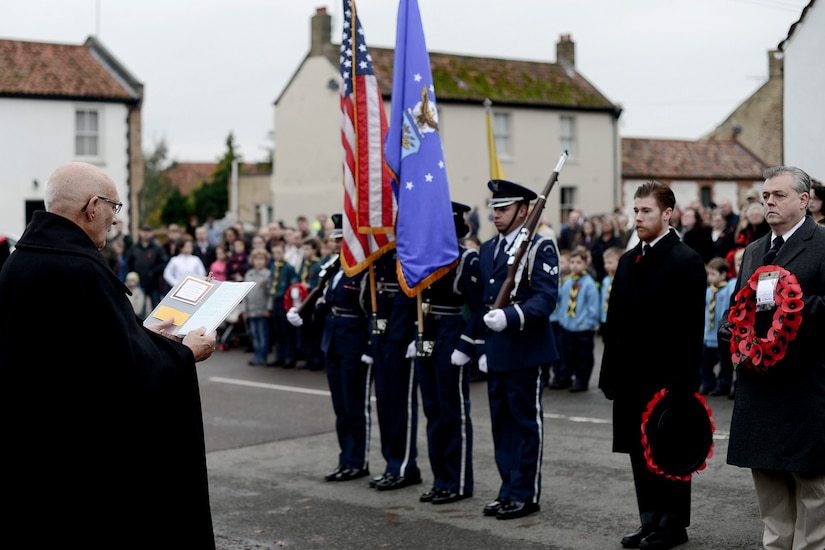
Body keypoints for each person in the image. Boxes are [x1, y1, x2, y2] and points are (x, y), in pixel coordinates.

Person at [0, 161, 217, 547]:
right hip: (83, 458)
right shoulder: (80, 269)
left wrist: (142, 333)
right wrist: (185, 353)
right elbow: (121, 372)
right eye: (114, 207)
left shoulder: (21, 259)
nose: (115, 220)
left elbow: (85, 345)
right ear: (91, 207)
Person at [598, 180, 706, 550]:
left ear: (667, 213)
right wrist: (609, 373)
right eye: (636, 210)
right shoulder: (629, 260)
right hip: (630, 378)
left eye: (646, 211)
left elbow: (691, 329)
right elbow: (614, 323)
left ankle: (672, 526)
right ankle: (650, 520)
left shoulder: (685, 260)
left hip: (666, 379)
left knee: (669, 450)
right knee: (638, 451)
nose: (639, 217)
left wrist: (684, 384)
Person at [721, 166, 825, 550]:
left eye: (778, 195)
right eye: (765, 196)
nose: (769, 202)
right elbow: (738, 306)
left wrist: (792, 306)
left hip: (805, 384)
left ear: (804, 200)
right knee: (769, 484)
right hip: (760, 386)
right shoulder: (754, 250)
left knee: (813, 486)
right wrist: (729, 329)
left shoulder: (822, 243)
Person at [477, 179, 559, 520]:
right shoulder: (487, 249)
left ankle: (525, 494)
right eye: (494, 208)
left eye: (504, 208)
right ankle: (508, 489)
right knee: (502, 426)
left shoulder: (540, 247)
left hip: (526, 350)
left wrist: (511, 316)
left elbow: (545, 299)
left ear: (523, 211)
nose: (496, 214)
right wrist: (480, 345)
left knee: (525, 425)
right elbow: (484, 300)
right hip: (497, 350)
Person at [287, 214, 373, 482]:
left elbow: (372, 310)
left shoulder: (363, 269)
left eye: (340, 238)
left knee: (355, 406)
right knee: (340, 407)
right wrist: (304, 315)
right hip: (333, 341)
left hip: (354, 343)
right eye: (333, 239)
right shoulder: (334, 267)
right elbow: (326, 302)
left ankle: (358, 462)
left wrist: (370, 345)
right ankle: (345, 459)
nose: (335, 243)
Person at [415, 202, 483, 505]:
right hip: (427, 332)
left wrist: (466, 344)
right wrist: (416, 335)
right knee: (432, 410)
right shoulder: (423, 257)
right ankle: (440, 479)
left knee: (453, 411)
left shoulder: (466, 260)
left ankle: (458, 482)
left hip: (452, 333)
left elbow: (480, 307)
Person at [367, 249, 422, 491]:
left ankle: (405, 467)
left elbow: (417, 293)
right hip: (383, 333)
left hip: (402, 335)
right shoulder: (381, 254)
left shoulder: (410, 251)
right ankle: (391, 464)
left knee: (401, 404)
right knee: (385, 403)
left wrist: (416, 334)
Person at [557, 249, 600, 392]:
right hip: (567, 326)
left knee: (583, 356)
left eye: (579, 262)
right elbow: (561, 300)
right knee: (568, 354)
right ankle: (567, 378)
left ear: (586, 265)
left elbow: (593, 305)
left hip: (583, 328)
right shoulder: (567, 281)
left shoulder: (589, 284)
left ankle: (582, 381)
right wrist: (562, 319)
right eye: (572, 262)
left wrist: (590, 323)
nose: (575, 265)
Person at [699, 257, 735, 397]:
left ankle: (723, 386)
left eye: (713, 274)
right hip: (708, 336)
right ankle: (708, 384)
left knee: (725, 364)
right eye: (709, 274)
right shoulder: (709, 291)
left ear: (723, 274)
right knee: (705, 364)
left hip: (720, 337)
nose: (709, 277)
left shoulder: (728, 290)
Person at [267, 243, 299, 367]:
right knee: (278, 330)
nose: (277, 255)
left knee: (287, 330)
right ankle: (280, 356)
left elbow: (294, 283)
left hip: (285, 300)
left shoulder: (289, 267)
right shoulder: (274, 267)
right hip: (275, 299)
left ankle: (290, 357)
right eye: (274, 253)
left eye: (279, 252)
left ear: (284, 253)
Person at [125, 223, 168, 308]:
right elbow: (128, 264)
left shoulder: (157, 248)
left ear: (152, 233)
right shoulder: (134, 248)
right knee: (139, 308)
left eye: (148, 231)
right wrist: (129, 279)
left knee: (156, 307)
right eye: (144, 231)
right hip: (138, 283)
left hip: (154, 284)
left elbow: (163, 264)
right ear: (140, 232)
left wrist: (153, 272)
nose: (146, 233)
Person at [243, 248, 273, 366]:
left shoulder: (268, 274)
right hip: (251, 310)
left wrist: (268, 308)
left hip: (262, 310)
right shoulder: (249, 274)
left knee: (263, 335)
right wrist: (245, 309)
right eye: (256, 259)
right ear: (252, 261)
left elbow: (270, 294)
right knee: (254, 335)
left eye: (262, 259)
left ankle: (263, 356)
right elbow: (245, 293)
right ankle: (257, 354)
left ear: (265, 261)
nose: (259, 262)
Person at [548, 249, 571, 389]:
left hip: (562, 320)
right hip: (552, 318)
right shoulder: (556, 278)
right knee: (554, 349)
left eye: (562, 262)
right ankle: (556, 375)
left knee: (563, 351)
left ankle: (564, 376)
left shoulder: (569, 281)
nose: (559, 265)